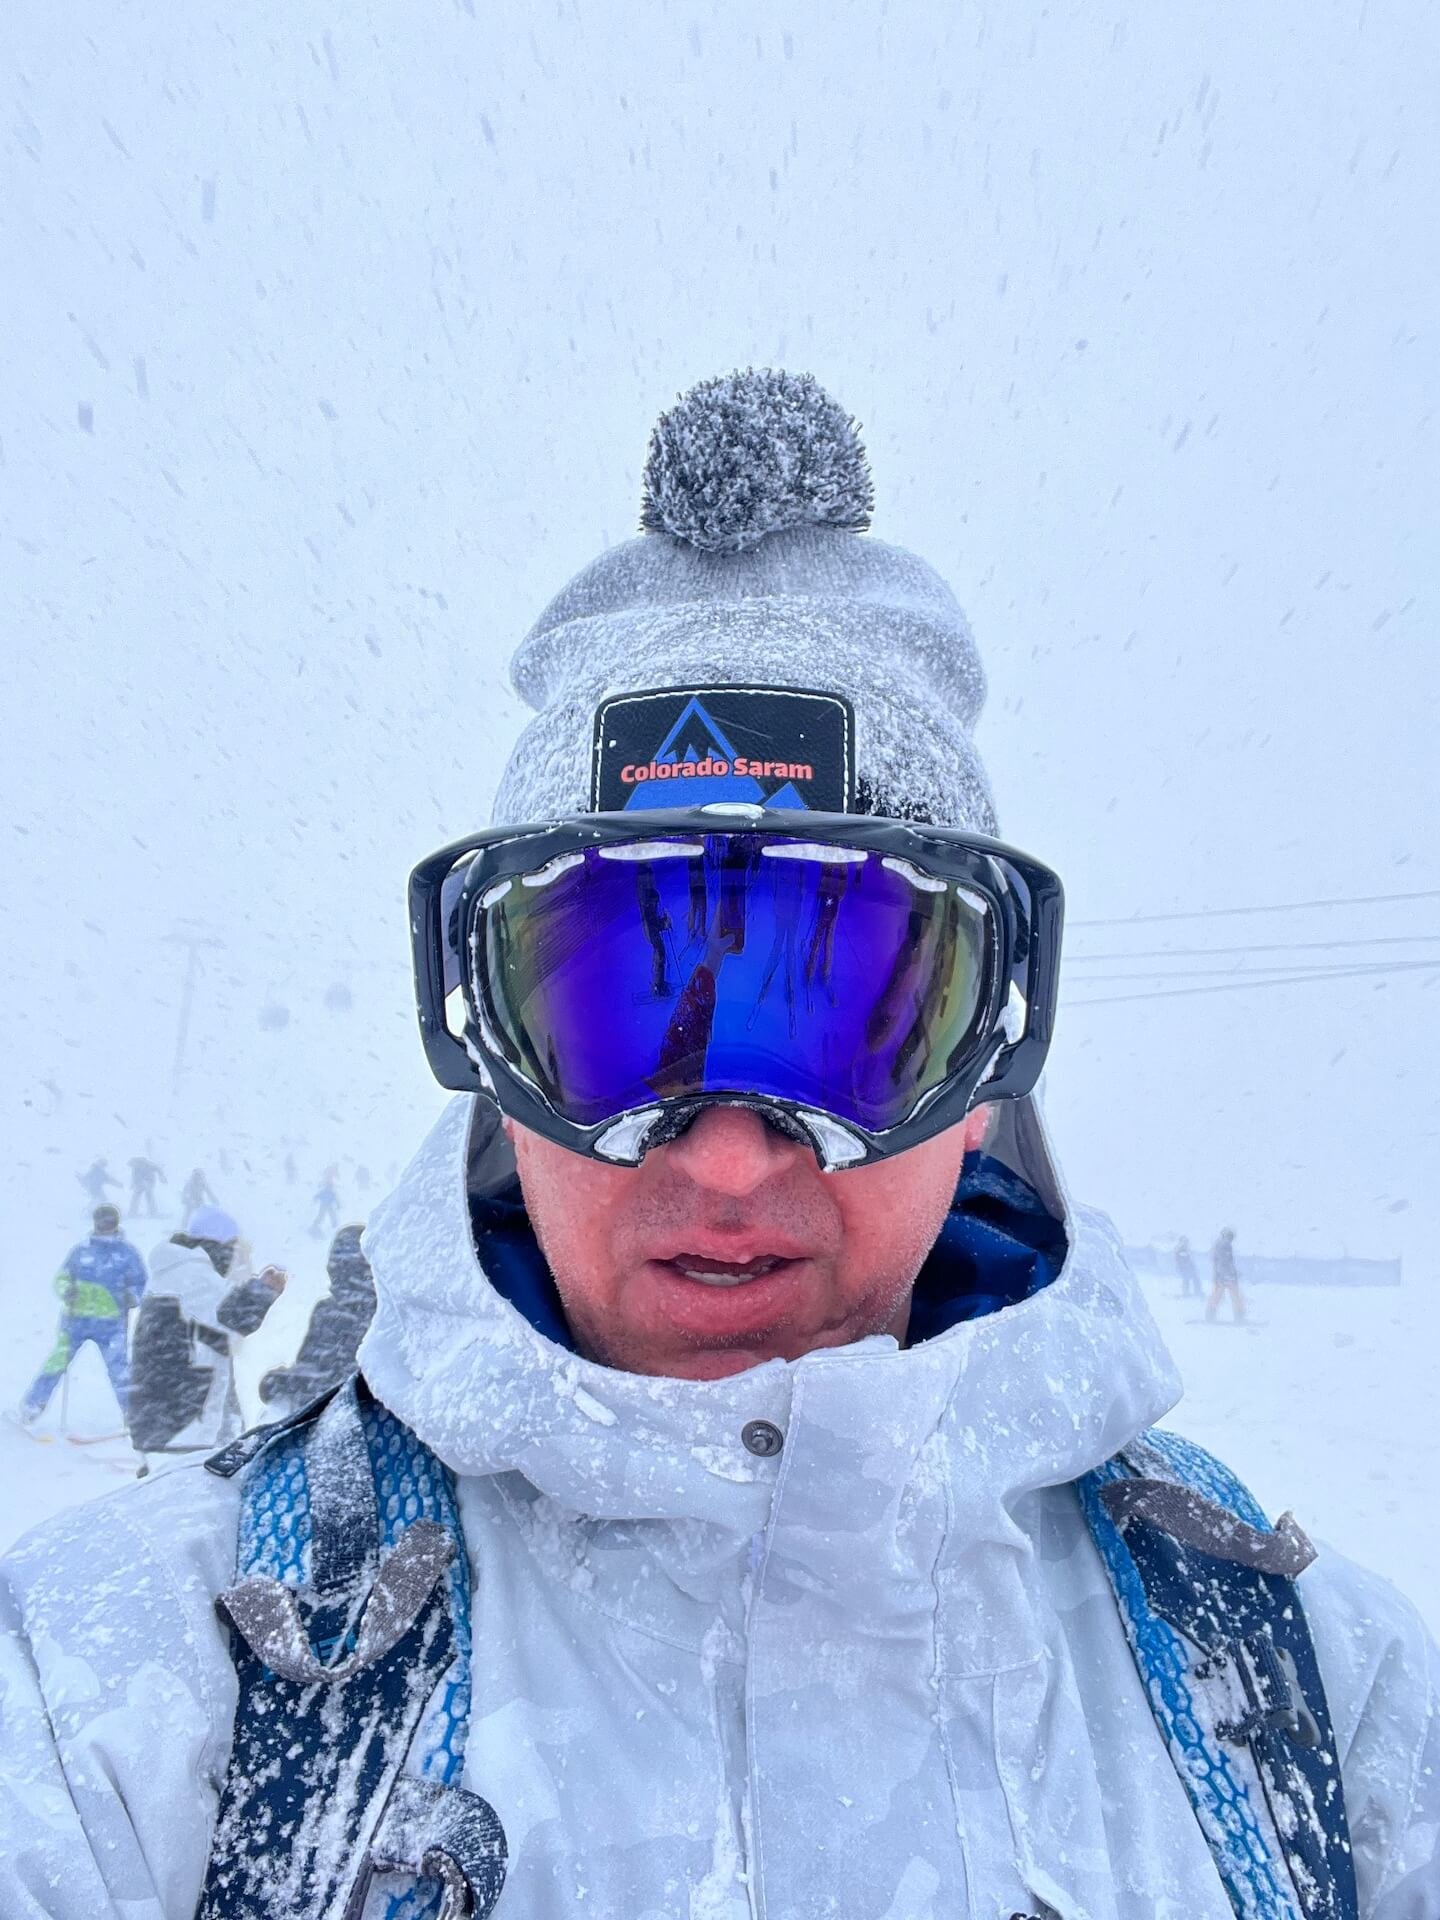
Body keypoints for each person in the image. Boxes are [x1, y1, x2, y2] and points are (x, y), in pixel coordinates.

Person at [0, 372, 1435, 1918]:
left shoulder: (1326, 1714)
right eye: (626, 1021)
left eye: (856, 1023)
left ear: (987, 1062)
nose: (736, 1163)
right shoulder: (124, 1701)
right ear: (488, 1057)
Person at [125, 1205, 286, 1460]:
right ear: (218, 1245)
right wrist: (264, 1289)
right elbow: (234, 1315)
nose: (234, 1257)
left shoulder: (179, 1271)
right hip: (180, 1423)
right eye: (232, 1248)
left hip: (170, 1418)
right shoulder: (188, 1272)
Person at [15, 1204, 146, 1431]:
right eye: (102, 1223)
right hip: (76, 1321)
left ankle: (133, 1415)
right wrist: (67, 1290)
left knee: (120, 1370)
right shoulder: (81, 1251)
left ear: (116, 1224)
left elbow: (141, 1283)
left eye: (109, 1223)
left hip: (111, 1323)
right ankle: (33, 1406)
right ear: (96, 1223)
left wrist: (132, 1296)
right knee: (56, 1362)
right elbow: (62, 1278)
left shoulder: (127, 1253)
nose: (106, 1227)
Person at [257, 1222, 376, 1416]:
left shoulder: (339, 1313)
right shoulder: (383, 1311)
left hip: (337, 1420)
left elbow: (328, 1379)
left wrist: (280, 1382)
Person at [1206, 1224, 1247, 1323]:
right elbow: (1226, 1262)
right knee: (1235, 1296)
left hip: (1220, 1275)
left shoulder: (1217, 1244)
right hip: (1227, 1276)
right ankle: (1239, 1316)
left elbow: (1218, 1262)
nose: (1231, 1239)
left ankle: (1210, 1315)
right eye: (1230, 1236)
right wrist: (1233, 1273)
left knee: (1217, 1296)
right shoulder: (1225, 1245)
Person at [309, 1163, 341, 1237]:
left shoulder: (325, 1190)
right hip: (327, 1205)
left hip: (324, 1204)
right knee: (328, 1214)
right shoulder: (330, 1191)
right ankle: (333, 1224)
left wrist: (315, 1198)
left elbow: (318, 1195)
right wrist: (338, 1205)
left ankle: (318, 1224)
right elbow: (335, 1199)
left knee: (323, 1215)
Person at [1174, 1232, 1202, 1298]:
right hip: (1184, 1269)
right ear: (1182, 1241)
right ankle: (1187, 1293)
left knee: (1194, 1279)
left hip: (1188, 1269)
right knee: (1187, 1279)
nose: (1186, 1243)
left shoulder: (1185, 1249)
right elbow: (1183, 1260)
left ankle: (1195, 1291)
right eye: (1185, 1241)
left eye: (1186, 1241)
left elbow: (1189, 1260)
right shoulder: (1180, 1249)